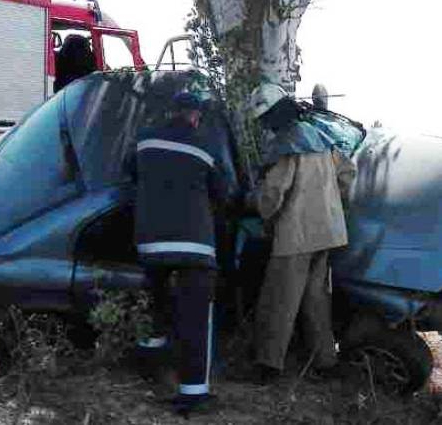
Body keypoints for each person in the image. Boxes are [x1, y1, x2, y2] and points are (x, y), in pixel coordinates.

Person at [246, 82, 357, 382]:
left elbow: (272, 193)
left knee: (279, 299)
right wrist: (336, 205)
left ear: (272, 115)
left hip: (297, 235)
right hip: (329, 232)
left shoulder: (286, 144)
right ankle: (326, 362)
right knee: (315, 299)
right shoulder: (320, 135)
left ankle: (268, 366)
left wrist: (256, 208)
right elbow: (348, 174)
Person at [134, 92, 225, 416]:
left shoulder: (144, 140)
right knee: (196, 318)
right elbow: (223, 194)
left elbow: (128, 176)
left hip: (151, 243)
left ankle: (149, 370)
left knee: (154, 308)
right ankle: (193, 393)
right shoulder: (206, 147)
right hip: (195, 247)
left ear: (171, 112)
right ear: (195, 116)